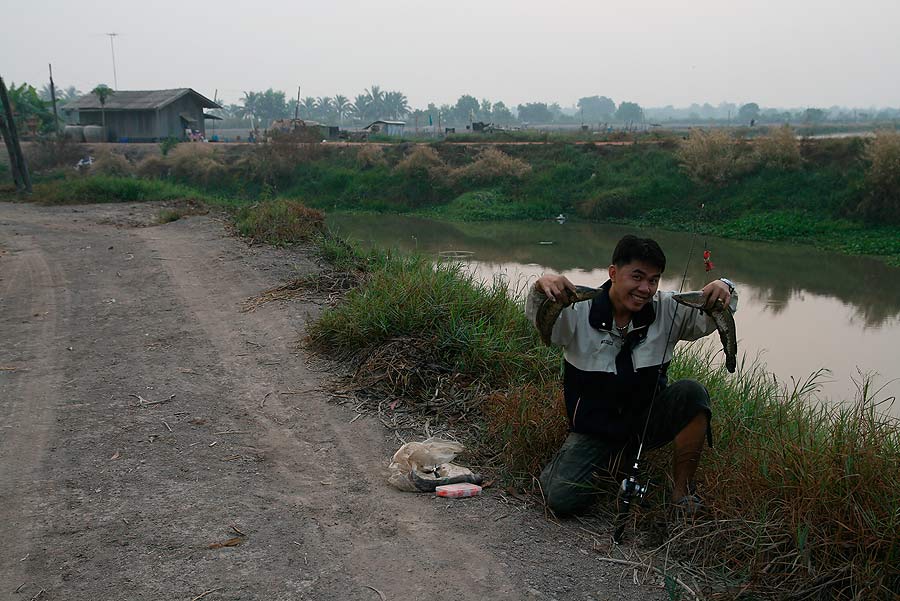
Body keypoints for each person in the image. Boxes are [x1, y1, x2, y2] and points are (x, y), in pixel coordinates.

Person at [525, 234, 737, 516]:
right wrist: (543, 287)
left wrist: (725, 286)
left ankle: (682, 493)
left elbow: (713, 313)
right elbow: (544, 322)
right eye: (636, 277)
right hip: (594, 430)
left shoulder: (669, 308)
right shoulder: (577, 309)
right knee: (559, 498)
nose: (645, 288)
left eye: (654, 280)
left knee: (692, 393)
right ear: (613, 273)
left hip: (646, 421)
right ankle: (611, 463)